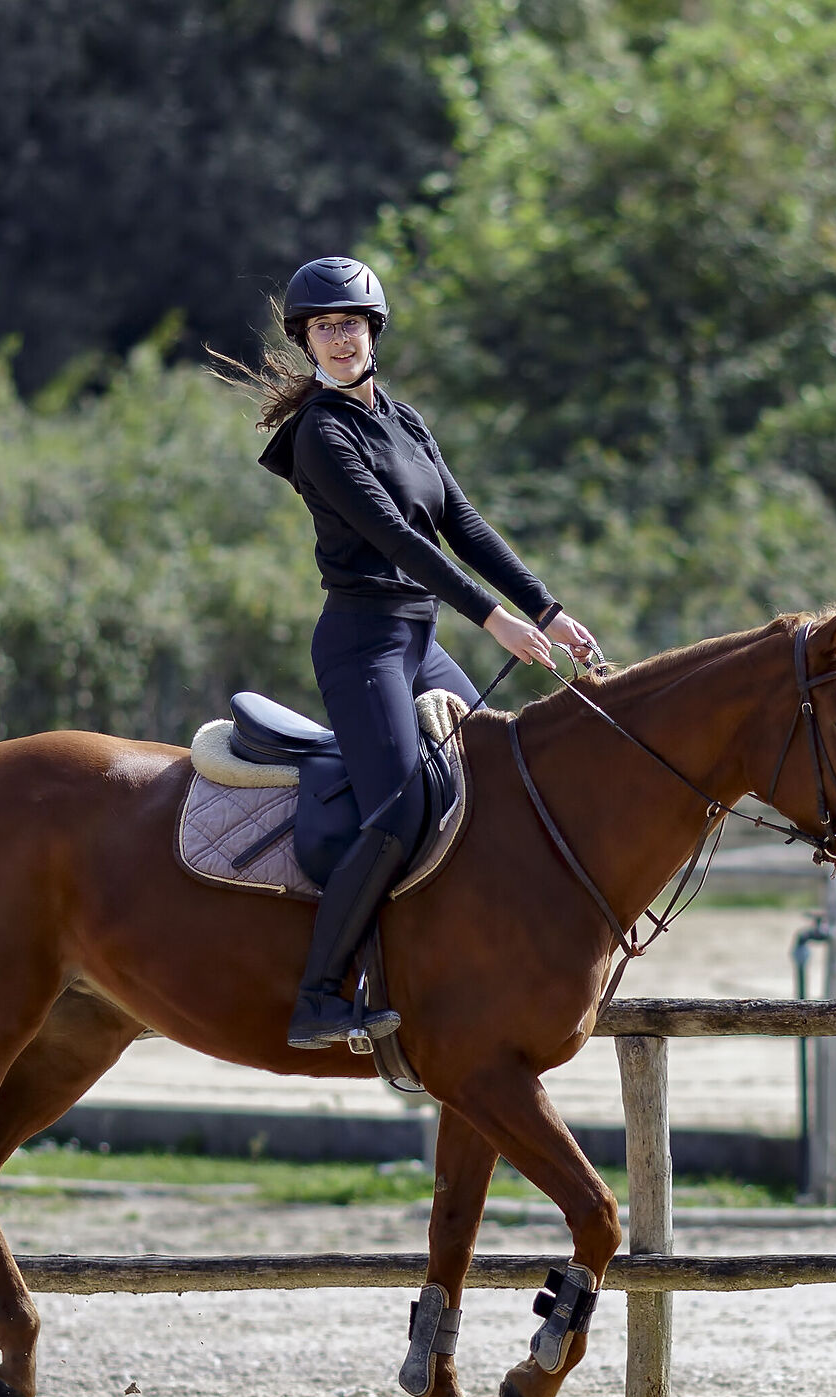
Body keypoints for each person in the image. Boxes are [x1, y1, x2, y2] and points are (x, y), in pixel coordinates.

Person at [242, 255, 600, 1050]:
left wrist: (549, 606)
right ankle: (319, 992)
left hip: (421, 638)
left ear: (374, 331)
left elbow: (461, 524)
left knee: (489, 776)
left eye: (352, 324)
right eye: (324, 328)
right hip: (363, 644)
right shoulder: (321, 436)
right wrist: (495, 620)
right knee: (400, 809)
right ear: (308, 340)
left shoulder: (404, 422)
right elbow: (399, 540)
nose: (340, 339)